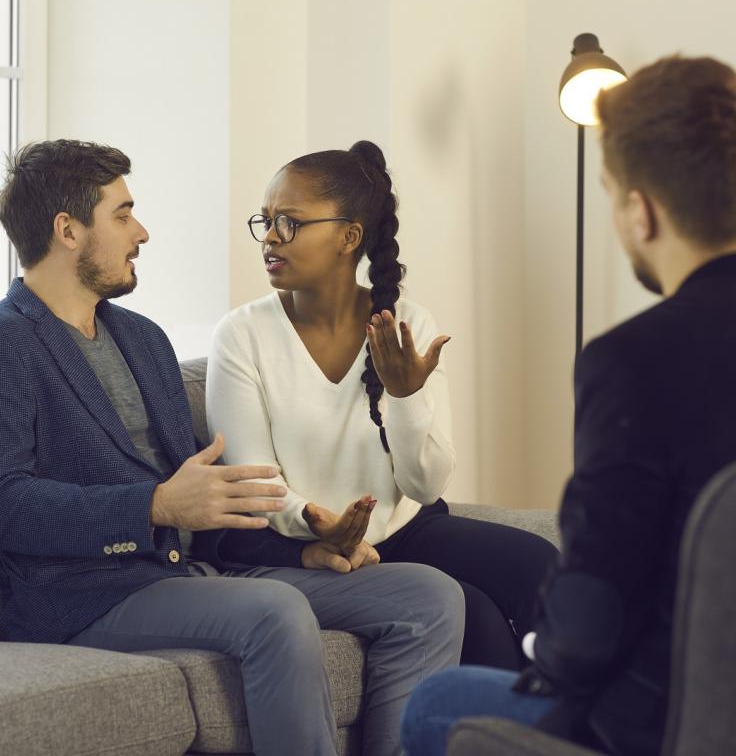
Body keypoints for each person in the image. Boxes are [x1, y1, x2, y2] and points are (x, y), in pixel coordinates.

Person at [0, 139, 466, 756]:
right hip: (87, 593)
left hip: (192, 571)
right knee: (273, 612)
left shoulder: (143, 338)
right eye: (122, 214)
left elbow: (209, 502)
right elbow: (2, 502)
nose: (141, 231)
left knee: (428, 596)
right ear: (67, 230)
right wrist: (151, 506)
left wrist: (303, 553)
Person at [401, 55, 736, 756]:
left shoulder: (636, 360)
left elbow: (592, 617)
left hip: (676, 721)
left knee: (438, 701)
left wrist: (547, 651)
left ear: (640, 211)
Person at [204, 139, 557, 670]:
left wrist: (406, 394)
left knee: (541, 564)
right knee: (475, 615)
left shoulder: (407, 324)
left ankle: (580, 730)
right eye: (266, 220)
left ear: (350, 236)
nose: (271, 238)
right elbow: (255, 483)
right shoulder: (241, 334)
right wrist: (316, 522)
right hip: (300, 543)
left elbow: (425, 486)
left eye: (291, 223)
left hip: (405, 531)